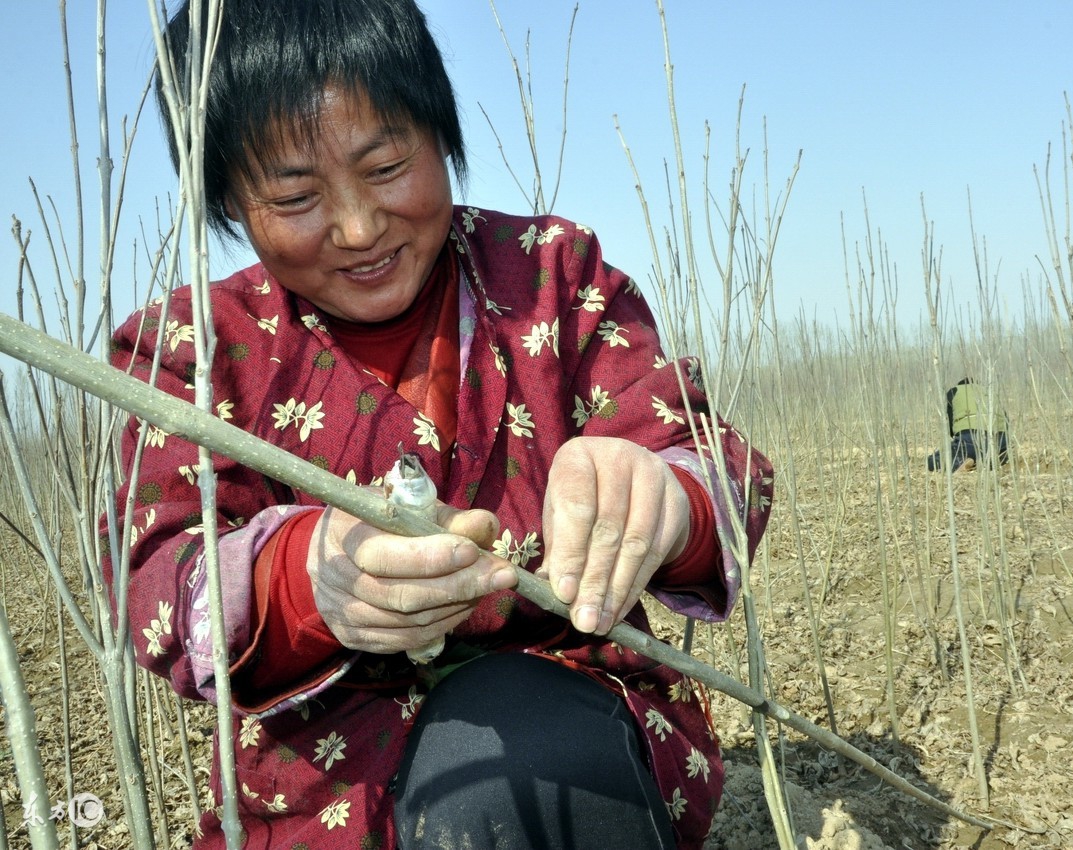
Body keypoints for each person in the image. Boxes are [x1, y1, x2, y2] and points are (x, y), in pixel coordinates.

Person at [105, 1, 772, 848]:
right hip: (323, 788)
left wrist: (666, 502)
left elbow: (718, 464)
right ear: (232, 201)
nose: (357, 228)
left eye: (386, 166)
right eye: (295, 194)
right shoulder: (192, 352)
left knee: (521, 751)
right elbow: (158, 581)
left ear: (441, 133)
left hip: (576, 743)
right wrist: (309, 578)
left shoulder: (554, 281)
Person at [926, 377, 1009, 472]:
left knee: (932, 461)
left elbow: (949, 423)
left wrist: (956, 438)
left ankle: (961, 462)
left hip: (970, 439)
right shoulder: (991, 392)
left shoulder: (954, 391)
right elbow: (1006, 421)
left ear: (960, 385)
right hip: (1001, 441)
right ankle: (988, 462)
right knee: (997, 456)